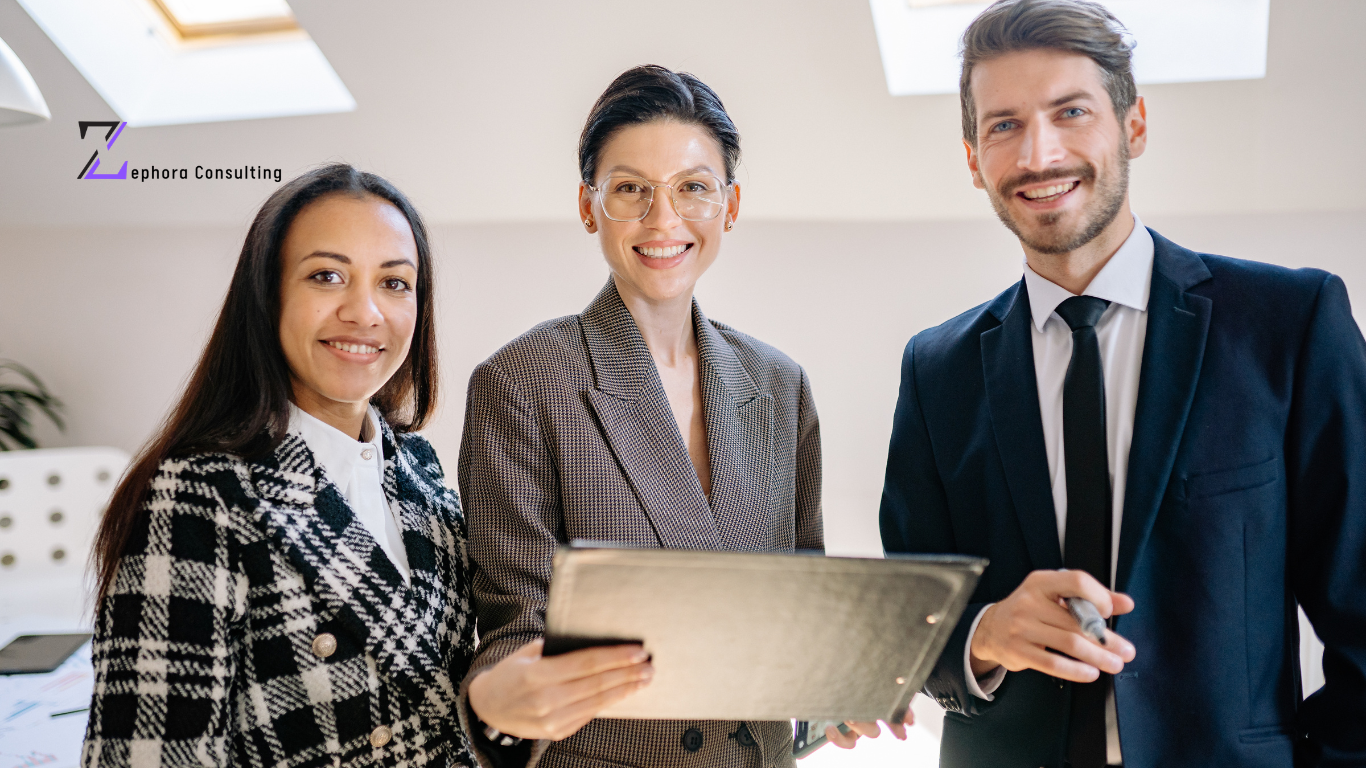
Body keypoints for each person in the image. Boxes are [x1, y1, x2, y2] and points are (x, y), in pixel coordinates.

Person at [878, 1, 1366, 767]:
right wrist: (983, 636)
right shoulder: (935, 368)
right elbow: (903, 626)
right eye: (1003, 125)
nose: (1039, 154)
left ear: (1133, 125)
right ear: (973, 158)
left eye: (1070, 112)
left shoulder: (1290, 323)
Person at [81, 164, 646, 768]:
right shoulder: (196, 494)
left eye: (395, 283)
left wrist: (503, 715)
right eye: (327, 276)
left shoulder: (419, 471)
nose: (365, 311)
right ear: (267, 295)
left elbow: (443, 718)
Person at [455, 65, 904, 768]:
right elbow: (513, 628)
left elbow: (800, 611)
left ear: (729, 205)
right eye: (630, 189)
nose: (663, 221)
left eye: (693, 188)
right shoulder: (523, 381)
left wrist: (838, 686)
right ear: (587, 205)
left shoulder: (779, 385)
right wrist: (505, 696)